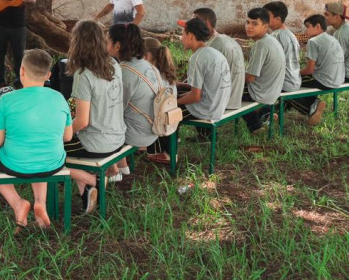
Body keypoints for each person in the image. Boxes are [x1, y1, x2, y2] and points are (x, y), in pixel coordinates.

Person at [0, 49, 72, 227]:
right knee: (39, 152)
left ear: (22, 71)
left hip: (16, 164)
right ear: (48, 75)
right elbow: (68, 136)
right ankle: (40, 202)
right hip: (53, 163)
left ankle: (18, 203)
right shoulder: (59, 98)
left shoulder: (7, 100)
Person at [148, 18, 231, 165]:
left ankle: (168, 153)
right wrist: (179, 87)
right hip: (218, 102)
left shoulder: (197, 57)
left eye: (183, 34)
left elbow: (195, 96)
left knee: (165, 111)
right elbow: (202, 86)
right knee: (174, 99)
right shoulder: (212, 52)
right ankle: (175, 138)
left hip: (206, 108)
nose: (181, 38)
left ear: (191, 36)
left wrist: (173, 102)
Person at [64, 22, 125, 214]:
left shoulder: (83, 75)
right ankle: (87, 190)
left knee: (49, 150)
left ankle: (93, 180)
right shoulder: (114, 64)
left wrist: (62, 134)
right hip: (118, 138)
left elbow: (82, 122)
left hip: (96, 144)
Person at [108, 24, 156, 182]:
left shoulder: (124, 71)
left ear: (117, 46)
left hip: (138, 134)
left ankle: (111, 171)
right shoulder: (147, 65)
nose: (105, 45)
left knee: (99, 122)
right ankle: (122, 166)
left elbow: (115, 108)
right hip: (154, 127)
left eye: (107, 41)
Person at [289, 14, 345, 126]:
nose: (305, 31)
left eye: (308, 26)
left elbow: (309, 70)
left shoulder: (313, 41)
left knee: (287, 83)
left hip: (325, 81)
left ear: (317, 26)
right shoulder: (332, 38)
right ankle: (282, 108)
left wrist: (294, 73)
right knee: (296, 81)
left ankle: (311, 106)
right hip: (339, 79)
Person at [242, 7, 285, 134]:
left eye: (255, 24)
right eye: (247, 22)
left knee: (229, 89)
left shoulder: (260, 45)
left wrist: (232, 77)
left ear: (265, 26)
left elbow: (250, 78)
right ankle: (265, 113)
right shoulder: (271, 40)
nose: (249, 27)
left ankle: (255, 126)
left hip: (261, 93)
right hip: (272, 92)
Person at [191, 8, 244, 110]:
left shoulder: (214, 45)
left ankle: (202, 126)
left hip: (221, 102)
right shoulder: (227, 40)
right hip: (234, 98)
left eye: (194, 22)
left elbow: (203, 85)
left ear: (206, 23)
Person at [263, 1, 302, 93]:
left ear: (277, 19)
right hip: (295, 80)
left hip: (283, 83)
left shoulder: (275, 36)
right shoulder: (290, 34)